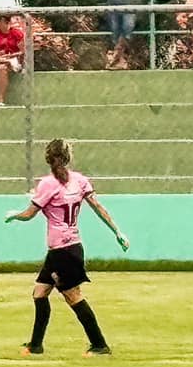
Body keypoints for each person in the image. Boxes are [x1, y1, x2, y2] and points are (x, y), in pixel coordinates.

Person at [6, 136, 125, 355]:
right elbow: (98, 207)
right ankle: (36, 345)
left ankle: (99, 345)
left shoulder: (48, 184)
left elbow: (29, 214)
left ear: (48, 158)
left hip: (62, 250)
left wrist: (14, 215)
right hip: (71, 247)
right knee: (40, 292)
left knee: (73, 296)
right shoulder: (79, 180)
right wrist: (117, 231)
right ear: (67, 158)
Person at [0, 15, 26, 106]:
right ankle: (5, 61)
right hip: (0, 59)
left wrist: (9, 55)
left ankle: (0, 100)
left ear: (3, 21)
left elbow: (23, 52)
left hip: (14, 60)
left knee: (1, 68)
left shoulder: (16, 33)